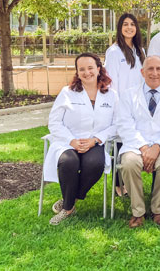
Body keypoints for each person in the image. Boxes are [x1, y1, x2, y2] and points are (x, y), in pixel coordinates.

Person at [43, 53, 117, 225]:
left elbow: (117, 124)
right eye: (81, 69)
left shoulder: (111, 95)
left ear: (99, 69)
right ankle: (68, 209)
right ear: (77, 72)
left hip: (94, 142)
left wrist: (96, 139)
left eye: (90, 68)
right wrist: (71, 141)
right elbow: (54, 122)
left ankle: (71, 199)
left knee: (95, 164)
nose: (87, 72)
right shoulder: (67, 93)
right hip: (68, 142)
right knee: (68, 162)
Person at [116, 56, 160, 228]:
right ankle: (138, 212)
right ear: (142, 72)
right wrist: (144, 147)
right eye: (150, 69)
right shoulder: (128, 95)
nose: (154, 73)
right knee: (129, 164)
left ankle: (157, 208)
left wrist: (157, 146)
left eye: (158, 69)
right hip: (135, 145)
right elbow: (124, 125)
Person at [105, 13, 146, 197]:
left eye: (132, 24)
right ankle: (118, 185)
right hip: (121, 105)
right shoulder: (114, 51)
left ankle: (129, 182)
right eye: (125, 24)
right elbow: (110, 82)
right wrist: (117, 106)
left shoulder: (140, 51)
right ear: (119, 28)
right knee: (119, 145)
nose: (129, 27)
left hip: (138, 105)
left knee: (132, 143)